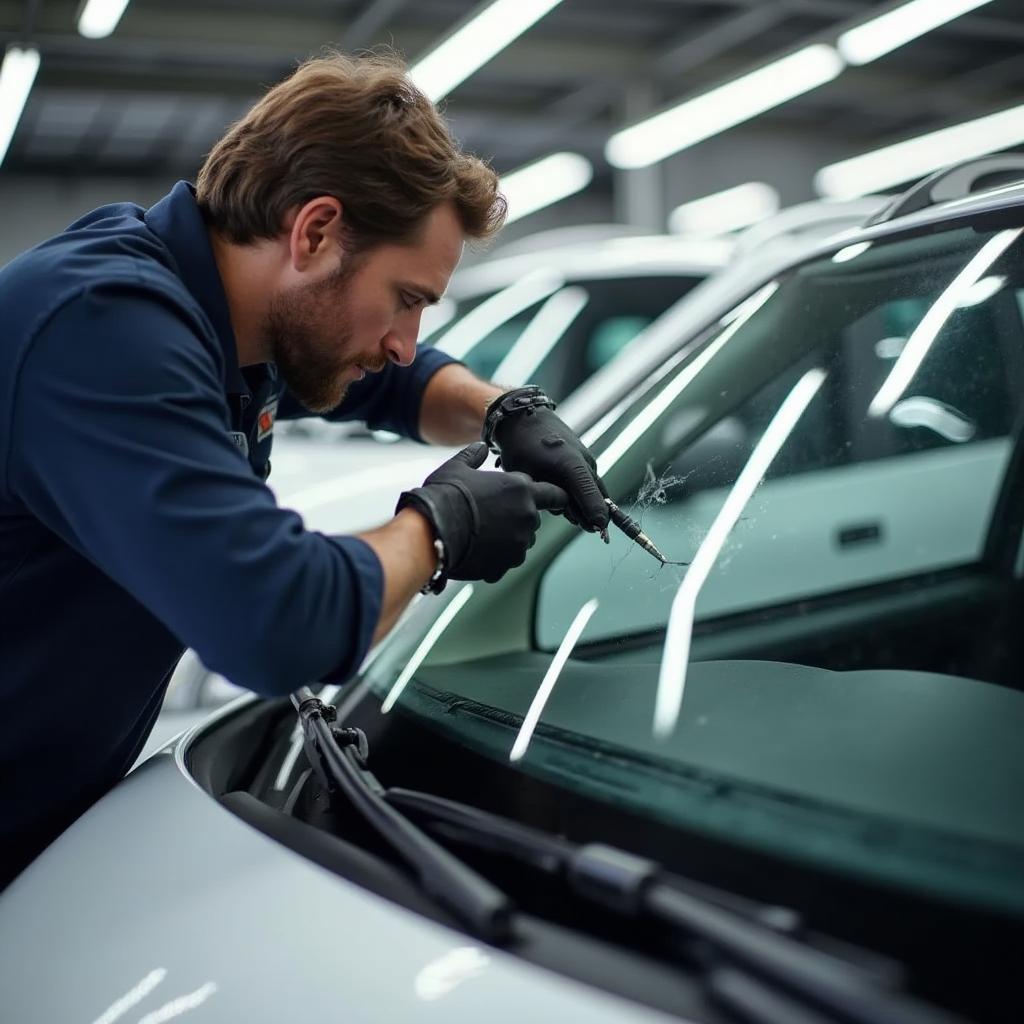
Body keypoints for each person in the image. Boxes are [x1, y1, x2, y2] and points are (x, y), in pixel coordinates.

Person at [0, 53, 608, 888]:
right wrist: (438, 528)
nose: (405, 335)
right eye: (405, 296)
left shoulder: (225, 314)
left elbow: (389, 376)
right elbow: (278, 622)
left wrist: (501, 408)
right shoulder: (102, 329)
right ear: (315, 231)